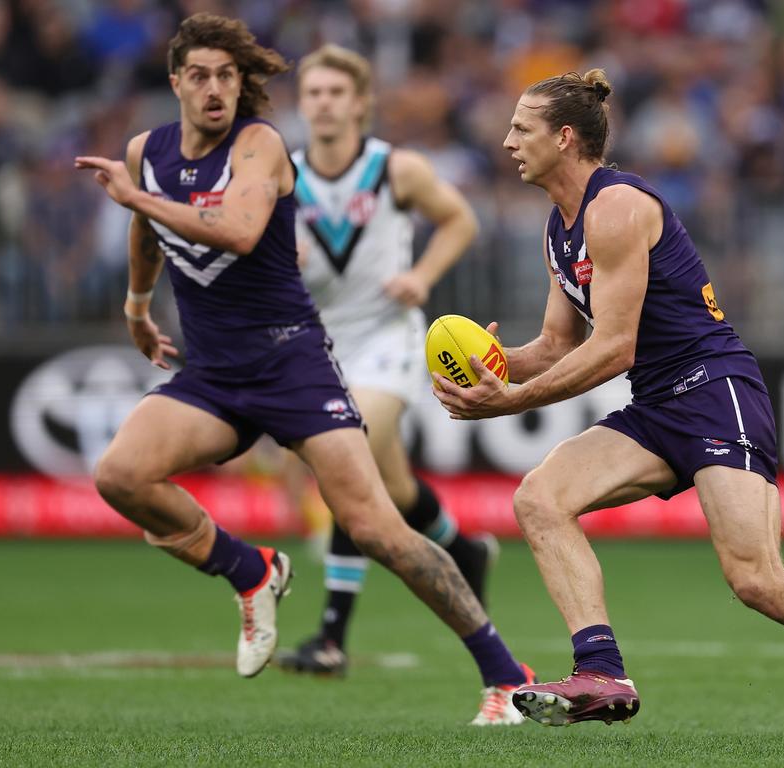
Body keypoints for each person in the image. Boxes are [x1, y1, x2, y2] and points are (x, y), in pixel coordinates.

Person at [432, 69, 784, 746]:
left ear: (564, 137)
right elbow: (559, 342)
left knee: (757, 579)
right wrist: (495, 369)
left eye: (521, 128)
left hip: (714, 391)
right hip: (656, 404)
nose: (506, 142)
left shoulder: (615, 208)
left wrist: (512, 401)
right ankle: (602, 673)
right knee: (539, 499)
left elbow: (613, 347)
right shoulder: (557, 229)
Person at [74, 13, 531, 725]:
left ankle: (506, 675)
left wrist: (137, 197)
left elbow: (238, 230)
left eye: (228, 74)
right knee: (120, 475)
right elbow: (147, 233)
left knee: (378, 526)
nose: (215, 87)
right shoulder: (147, 153)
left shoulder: (257, 146)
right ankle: (250, 570)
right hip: (214, 374)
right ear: (175, 83)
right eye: (200, 75)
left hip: (294, 364)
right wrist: (137, 306)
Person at [274, 44, 498, 679]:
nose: (322, 103)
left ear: (361, 103)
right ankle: (464, 551)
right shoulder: (282, 177)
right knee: (389, 488)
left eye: (335, 92)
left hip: (389, 338)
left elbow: (460, 221)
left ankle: (331, 638)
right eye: (313, 92)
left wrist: (422, 275)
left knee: (352, 445)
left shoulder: (396, 168)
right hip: (321, 344)